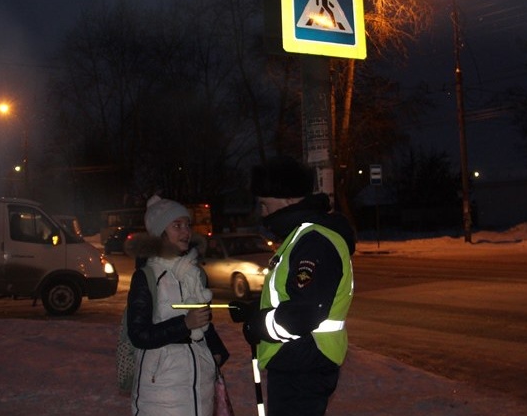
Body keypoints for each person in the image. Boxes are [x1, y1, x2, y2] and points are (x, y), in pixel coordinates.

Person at [238, 155, 356, 416]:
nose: (263, 213)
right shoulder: (301, 237)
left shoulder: (313, 241)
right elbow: (289, 295)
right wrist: (254, 309)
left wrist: (259, 325)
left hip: (305, 362)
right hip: (299, 360)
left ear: (289, 199)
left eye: (265, 205)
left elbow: (304, 313)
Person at [124, 195, 229, 416]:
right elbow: (138, 334)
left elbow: (203, 322)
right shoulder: (147, 276)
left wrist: (216, 352)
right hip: (161, 390)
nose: (186, 231)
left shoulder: (195, 274)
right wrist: (184, 324)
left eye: (187, 225)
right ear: (160, 233)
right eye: (177, 225)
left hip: (200, 386)